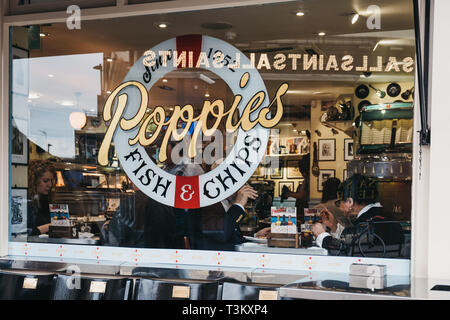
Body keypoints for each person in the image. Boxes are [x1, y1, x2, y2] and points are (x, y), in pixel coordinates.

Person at [311, 174, 385, 254]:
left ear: (350, 202)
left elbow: (342, 251)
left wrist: (321, 235)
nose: (339, 207)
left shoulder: (364, 223)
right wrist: (334, 227)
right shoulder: (384, 216)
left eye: (340, 202)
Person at [27, 160, 57, 236]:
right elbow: (26, 233)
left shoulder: (46, 199)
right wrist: (51, 226)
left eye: (51, 180)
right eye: (45, 181)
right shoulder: (26, 202)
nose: (50, 185)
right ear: (34, 181)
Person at [283, 153, 310, 222]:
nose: (301, 174)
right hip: (301, 210)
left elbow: (301, 195)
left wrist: (289, 193)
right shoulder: (306, 180)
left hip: (303, 210)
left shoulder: (308, 181)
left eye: (302, 171)